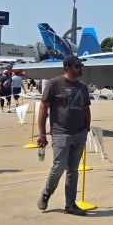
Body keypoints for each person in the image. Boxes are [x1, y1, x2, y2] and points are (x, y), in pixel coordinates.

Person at [36, 56, 92, 216]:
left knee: (73, 170)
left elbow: (86, 108)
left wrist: (86, 128)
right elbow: (43, 108)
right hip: (61, 133)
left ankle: (70, 204)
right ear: (67, 67)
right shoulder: (54, 83)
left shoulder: (82, 86)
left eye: (80, 66)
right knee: (59, 167)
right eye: (77, 66)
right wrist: (42, 133)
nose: (80, 68)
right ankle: (46, 194)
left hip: (79, 134)